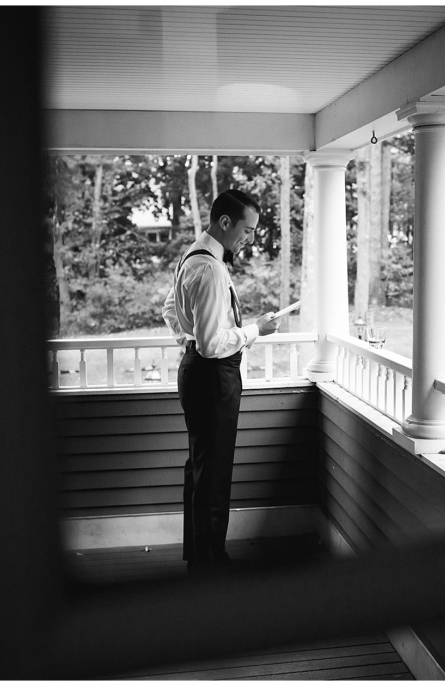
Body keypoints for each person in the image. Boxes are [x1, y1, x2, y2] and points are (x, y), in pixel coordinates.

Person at [162, 189, 281, 572]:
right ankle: (212, 565)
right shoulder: (211, 268)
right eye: (247, 231)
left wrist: (188, 339)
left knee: (200, 467)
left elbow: (169, 308)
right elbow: (215, 344)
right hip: (213, 376)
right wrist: (255, 330)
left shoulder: (193, 254)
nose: (249, 239)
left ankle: (199, 557)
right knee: (214, 472)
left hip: (196, 371)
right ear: (226, 222)